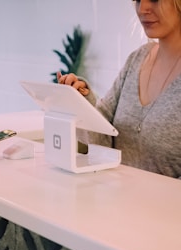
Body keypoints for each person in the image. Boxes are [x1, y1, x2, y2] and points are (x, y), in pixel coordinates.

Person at [57, 0, 181, 179]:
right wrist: (80, 101)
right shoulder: (137, 59)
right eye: (137, 0)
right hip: (114, 200)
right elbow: (102, 139)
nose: (142, 9)